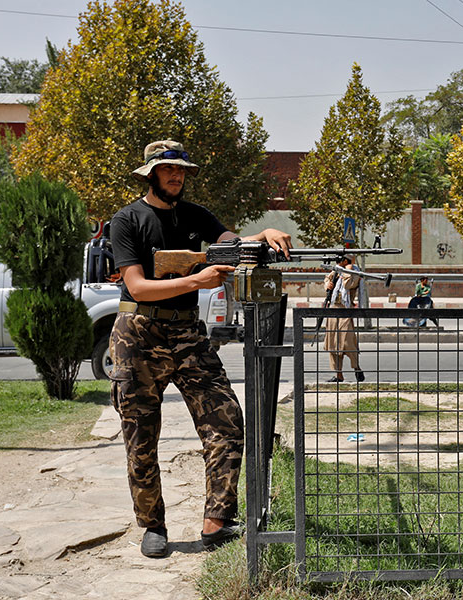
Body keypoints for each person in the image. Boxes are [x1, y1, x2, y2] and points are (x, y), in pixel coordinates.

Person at [109, 140, 292, 558]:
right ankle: (153, 526)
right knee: (140, 436)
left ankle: (217, 522)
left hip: (189, 333)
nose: (177, 177)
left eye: (182, 171)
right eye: (168, 170)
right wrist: (196, 281)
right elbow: (136, 285)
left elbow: (233, 242)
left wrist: (263, 233)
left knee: (227, 422)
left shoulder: (196, 216)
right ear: (151, 173)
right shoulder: (127, 220)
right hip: (137, 334)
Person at [323, 255, 364, 383]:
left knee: (347, 341)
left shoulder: (354, 273)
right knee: (333, 342)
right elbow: (326, 280)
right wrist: (327, 285)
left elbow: (347, 284)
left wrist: (348, 270)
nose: (337, 263)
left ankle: (356, 367)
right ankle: (338, 374)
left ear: (346, 261)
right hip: (334, 308)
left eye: (339, 261)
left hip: (346, 309)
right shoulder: (335, 272)